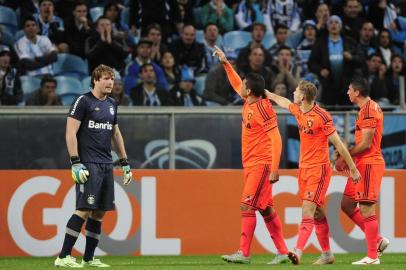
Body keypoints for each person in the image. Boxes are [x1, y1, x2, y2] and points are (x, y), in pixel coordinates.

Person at [265, 80, 361, 265]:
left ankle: (297, 252)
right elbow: (284, 102)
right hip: (304, 170)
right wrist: (269, 95)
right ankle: (327, 255)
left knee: (307, 210)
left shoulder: (322, 116)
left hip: (319, 170)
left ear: (302, 96)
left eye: (295, 91)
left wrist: (353, 168)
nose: (293, 93)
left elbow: (338, 143)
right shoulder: (299, 111)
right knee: (316, 213)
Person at [213, 46, 292, 265]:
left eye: (245, 86)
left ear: (250, 91)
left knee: (247, 206)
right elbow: (236, 81)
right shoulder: (250, 101)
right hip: (251, 164)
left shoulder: (264, 109)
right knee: (266, 209)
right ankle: (283, 252)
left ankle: (244, 253)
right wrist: (224, 61)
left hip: (262, 164)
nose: (241, 87)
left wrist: (275, 169)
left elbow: (276, 138)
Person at [54, 64, 133, 268]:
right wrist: (75, 162)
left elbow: (115, 133)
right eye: (106, 78)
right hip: (88, 164)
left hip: (107, 164)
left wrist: (124, 163)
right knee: (83, 209)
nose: (110, 82)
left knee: (99, 213)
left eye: (112, 79)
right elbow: (70, 132)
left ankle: (88, 258)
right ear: (95, 80)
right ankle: (63, 256)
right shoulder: (83, 101)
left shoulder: (112, 104)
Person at [336, 78, 390, 265]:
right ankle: (378, 240)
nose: (347, 92)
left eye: (349, 89)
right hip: (360, 163)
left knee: (367, 208)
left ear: (357, 92)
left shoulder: (368, 110)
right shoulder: (367, 108)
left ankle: (372, 257)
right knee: (347, 205)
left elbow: (366, 144)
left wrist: (345, 156)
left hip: (368, 163)